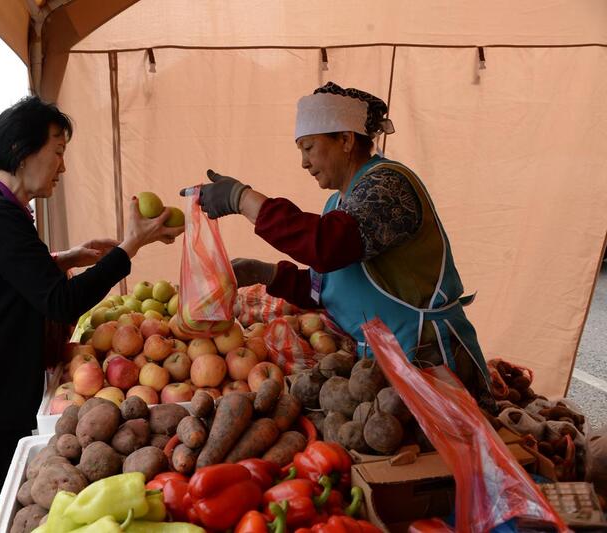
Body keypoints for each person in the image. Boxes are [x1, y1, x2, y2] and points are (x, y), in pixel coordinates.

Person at [0, 96, 183, 531]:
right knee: (2, 518)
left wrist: (67, 258)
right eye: (59, 152)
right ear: (21, 151)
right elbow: (61, 301)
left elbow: (9, 274)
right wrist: (130, 246)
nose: (63, 168)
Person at [187, 82, 491, 404]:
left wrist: (242, 198)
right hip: (383, 368)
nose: (303, 162)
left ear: (345, 140)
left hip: (430, 359)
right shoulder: (337, 204)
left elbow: (327, 246)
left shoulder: (387, 185)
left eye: (308, 148)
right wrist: (268, 275)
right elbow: (329, 286)